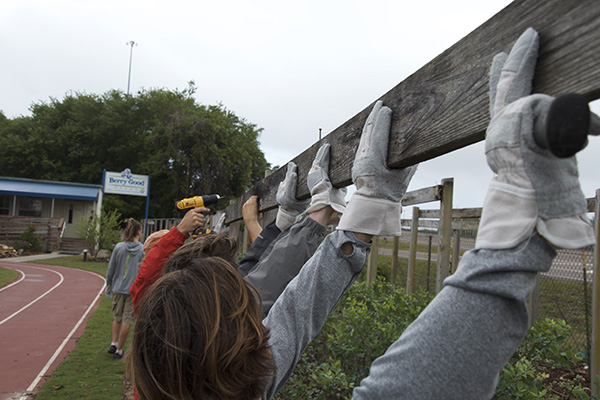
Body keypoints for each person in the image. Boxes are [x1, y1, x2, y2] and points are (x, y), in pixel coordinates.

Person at [128, 27, 598, 399]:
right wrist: (517, 215)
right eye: (254, 329)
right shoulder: (221, 377)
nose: (267, 327)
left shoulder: (179, 380)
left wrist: (364, 210)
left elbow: (291, 316)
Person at [105, 218, 144, 360]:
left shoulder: (119, 247)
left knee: (117, 317)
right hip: (132, 290)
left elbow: (111, 268)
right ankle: (119, 350)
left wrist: (108, 284)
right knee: (127, 319)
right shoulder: (141, 248)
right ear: (138, 232)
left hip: (118, 288)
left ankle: (113, 343)